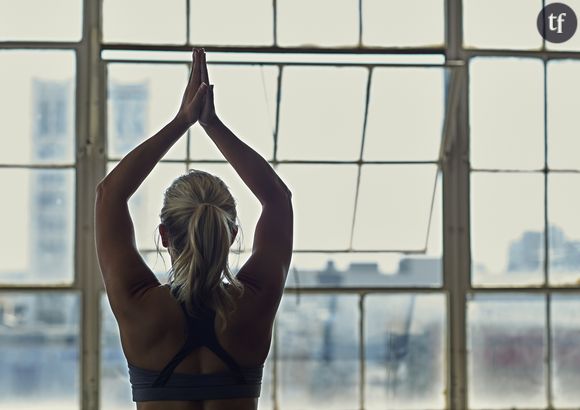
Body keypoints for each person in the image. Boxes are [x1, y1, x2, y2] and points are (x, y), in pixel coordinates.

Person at [95, 47, 293, 409]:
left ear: (164, 236)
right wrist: (211, 124)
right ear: (231, 235)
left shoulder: (138, 304)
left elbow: (109, 195)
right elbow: (278, 199)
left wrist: (182, 121)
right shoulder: (255, 301)